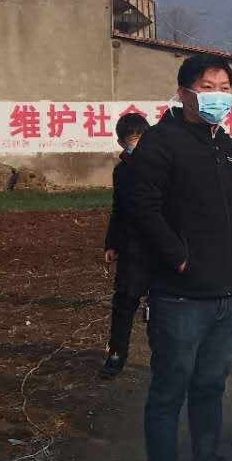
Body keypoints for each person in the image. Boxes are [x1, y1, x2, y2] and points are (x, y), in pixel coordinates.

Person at [128, 53, 232, 461]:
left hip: (225, 296)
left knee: (210, 388)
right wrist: (178, 258)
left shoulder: (227, 146)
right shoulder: (161, 144)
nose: (218, 95)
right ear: (184, 93)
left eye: (224, 87)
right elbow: (142, 209)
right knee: (168, 394)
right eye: (207, 86)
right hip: (179, 297)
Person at [100, 111, 150, 380]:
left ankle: (162, 355)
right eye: (133, 140)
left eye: (143, 138)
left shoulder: (164, 166)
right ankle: (117, 354)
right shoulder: (121, 172)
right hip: (131, 248)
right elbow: (118, 209)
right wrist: (112, 243)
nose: (138, 145)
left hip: (159, 248)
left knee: (161, 307)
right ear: (122, 143)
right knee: (124, 303)